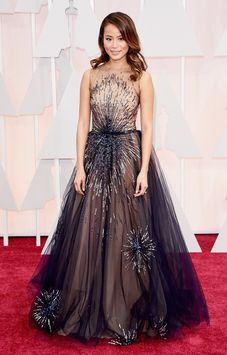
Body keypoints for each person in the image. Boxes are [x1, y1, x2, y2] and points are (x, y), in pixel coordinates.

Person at [28, 11, 210, 346]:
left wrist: (143, 170)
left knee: (128, 234)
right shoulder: (90, 75)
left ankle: (126, 308)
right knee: (90, 230)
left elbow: (150, 125)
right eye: (109, 38)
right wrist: (80, 166)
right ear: (102, 40)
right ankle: (89, 304)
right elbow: (83, 122)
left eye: (120, 38)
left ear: (130, 38)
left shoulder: (141, 76)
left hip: (129, 155)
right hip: (96, 157)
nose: (115, 45)